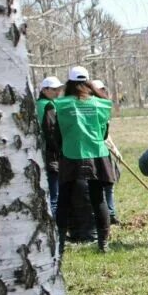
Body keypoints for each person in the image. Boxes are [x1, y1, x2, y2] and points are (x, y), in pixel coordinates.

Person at [53, 66, 116, 254]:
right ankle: (103, 244)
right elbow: (105, 132)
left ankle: (61, 244)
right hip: (96, 154)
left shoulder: (62, 104)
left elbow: (57, 133)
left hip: (71, 154)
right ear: (88, 82)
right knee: (99, 199)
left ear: (69, 83)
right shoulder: (100, 104)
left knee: (64, 199)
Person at [92, 80, 121, 225]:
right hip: (93, 153)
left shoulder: (103, 106)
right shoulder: (90, 106)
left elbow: (106, 132)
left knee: (109, 184)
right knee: (99, 187)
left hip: (105, 151)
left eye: (103, 89)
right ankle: (100, 216)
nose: (103, 92)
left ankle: (111, 213)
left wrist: (114, 148)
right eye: (100, 90)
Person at [36, 76, 64, 217]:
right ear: (45, 90)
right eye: (54, 89)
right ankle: (56, 229)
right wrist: (59, 150)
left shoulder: (37, 103)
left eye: (59, 89)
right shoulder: (49, 106)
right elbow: (52, 131)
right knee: (55, 194)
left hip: (39, 151)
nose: (58, 92)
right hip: (51, 153)